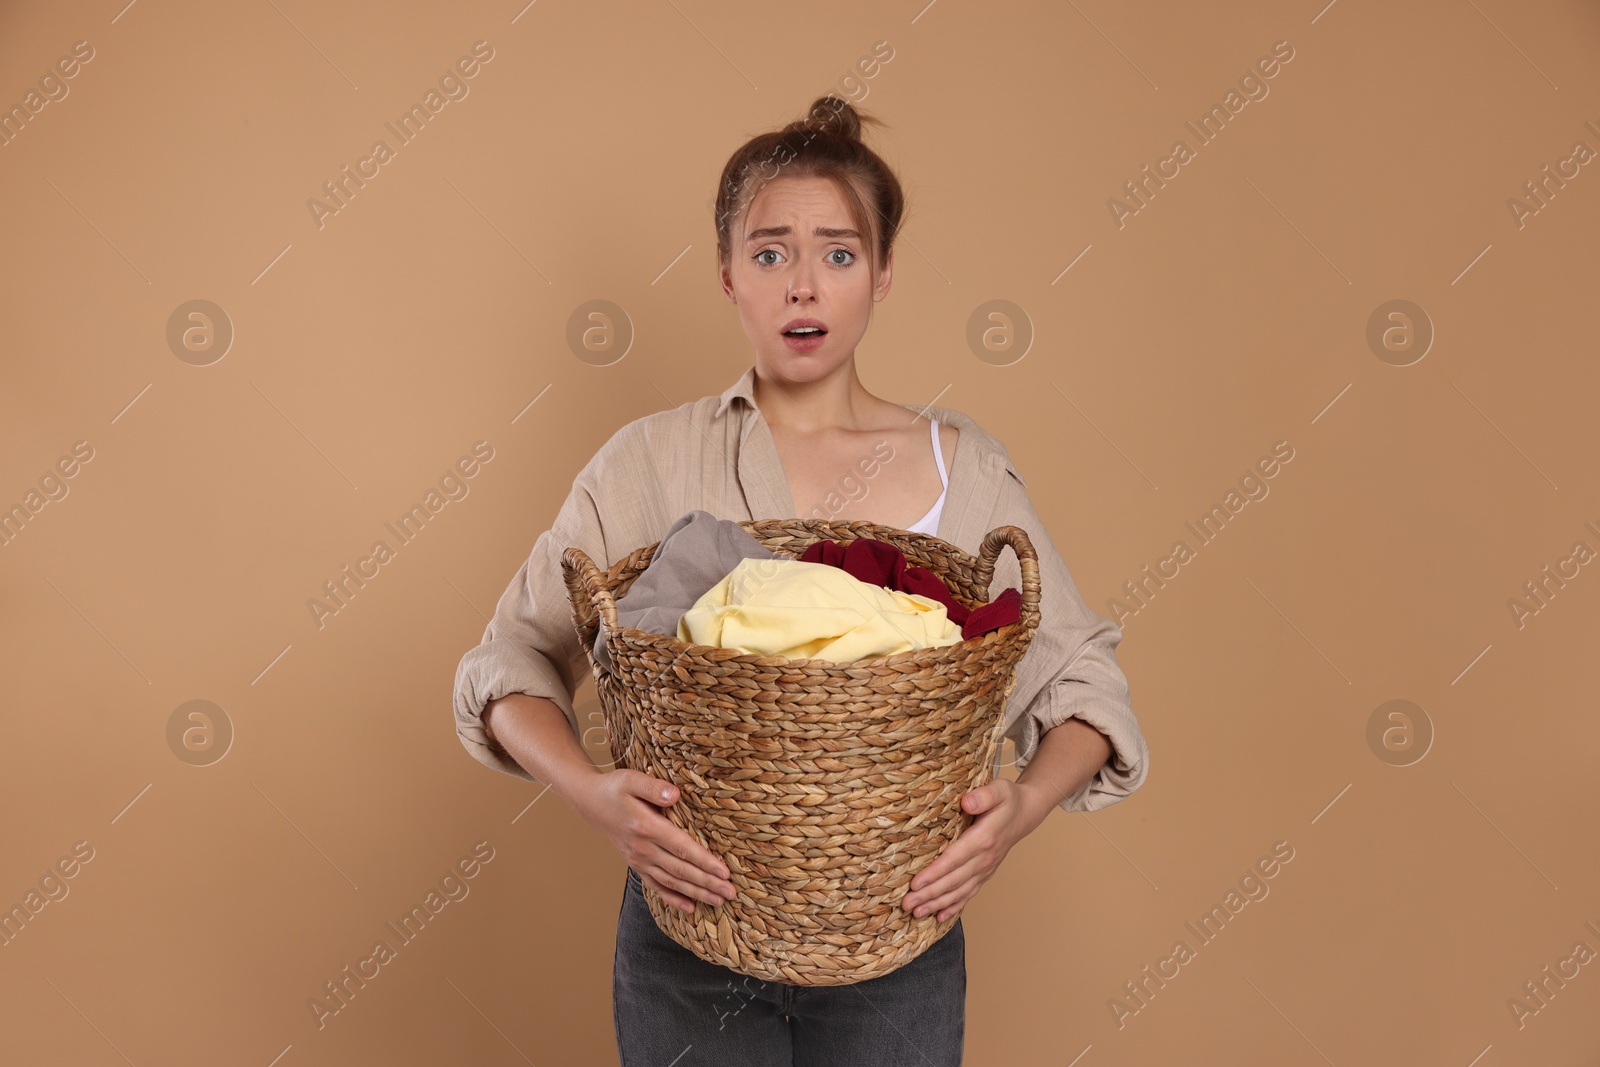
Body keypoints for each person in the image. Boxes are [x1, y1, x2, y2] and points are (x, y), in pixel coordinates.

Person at [452, 94, 1150, 1066]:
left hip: (896, 937)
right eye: (770, 252)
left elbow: (1083, 689)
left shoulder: (965, 469)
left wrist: (1018, 815)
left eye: (838, 252)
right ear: (728, 276)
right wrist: (592, 791)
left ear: (884, 274)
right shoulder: (647, 463)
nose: (802, 287)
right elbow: (506, 664)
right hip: (685, 932)